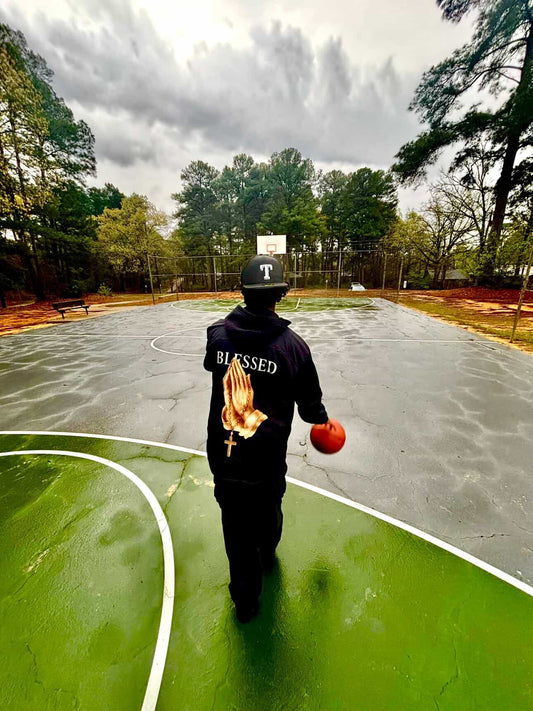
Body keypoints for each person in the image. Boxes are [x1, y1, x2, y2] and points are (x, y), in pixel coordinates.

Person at [203, 255, 329, 622]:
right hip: (267, 460)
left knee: (235, 532)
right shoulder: (294, 348)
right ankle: (268, 552)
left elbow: (213, 362)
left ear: (241, 292)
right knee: (268, 511)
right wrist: (323, 420)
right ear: (282, 294)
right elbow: (310, 409)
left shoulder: (217, 336)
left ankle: (245, 603)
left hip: (225, 455)